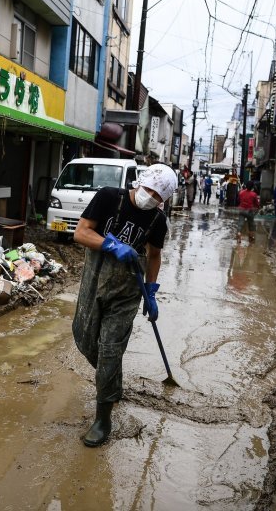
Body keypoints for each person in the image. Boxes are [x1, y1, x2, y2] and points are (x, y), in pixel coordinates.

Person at [72, 164, 177, 447]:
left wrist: (151, 292)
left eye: (158, 196)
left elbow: (154, 256)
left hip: (128, 291)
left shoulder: (157, 220)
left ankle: (103, 417)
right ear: (139, 183)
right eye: (149, 190)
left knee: (109, 349)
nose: (151, 198)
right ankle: (112, 382)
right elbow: (81, 233)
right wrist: (112, 245)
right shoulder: (108, 197)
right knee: (85, 339)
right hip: (94, 283)